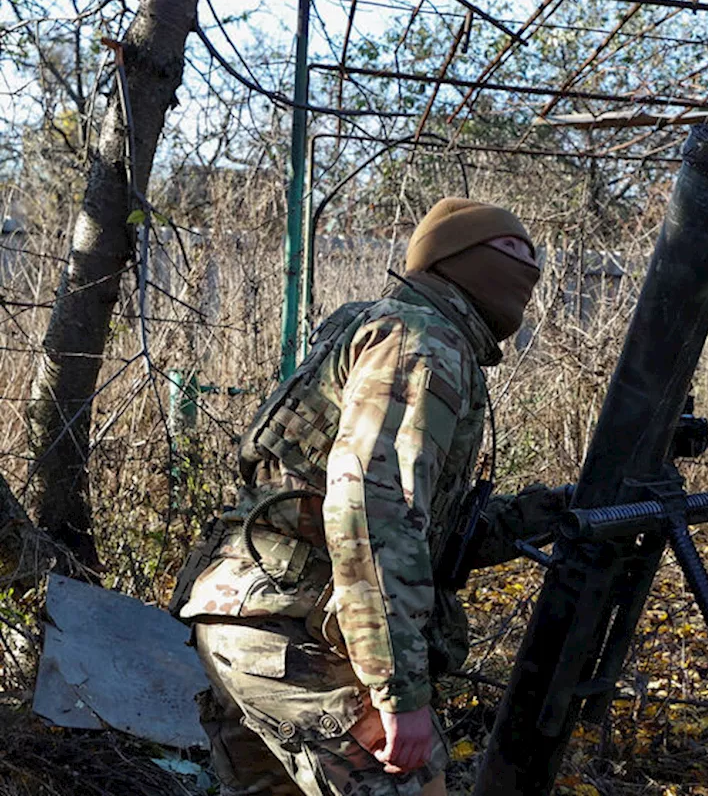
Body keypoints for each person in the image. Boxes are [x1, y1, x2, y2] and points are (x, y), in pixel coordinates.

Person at [171, 197, 571, 796]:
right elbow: (370, 509)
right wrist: (399, 692)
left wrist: (559, 509)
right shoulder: (422, 340)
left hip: (247, 624)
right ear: (451, 260)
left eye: (531, 255)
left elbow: (431, 527)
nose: (528, 268)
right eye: (508, 251)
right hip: (298, 640)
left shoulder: (385, 326)